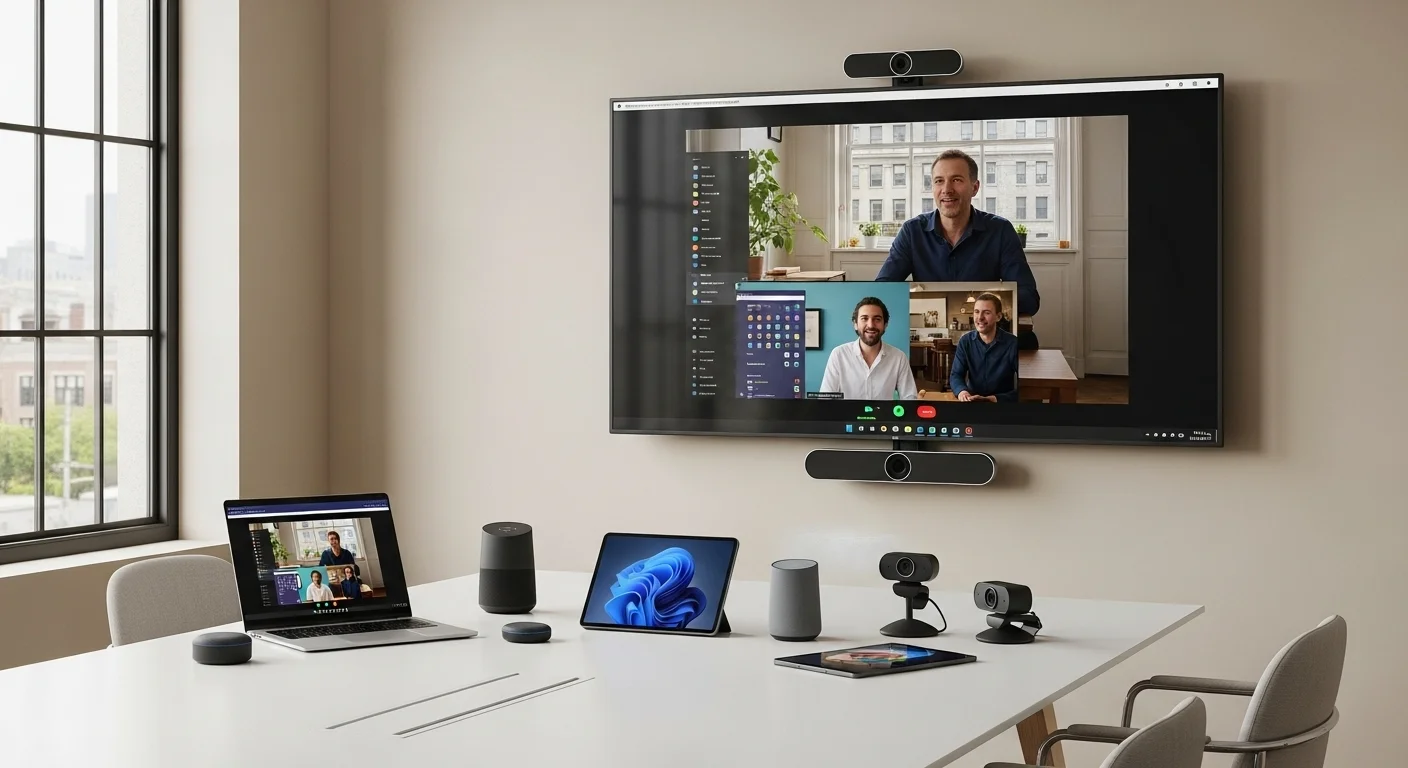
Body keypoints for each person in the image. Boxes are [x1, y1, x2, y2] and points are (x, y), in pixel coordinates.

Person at [875, 148, 1042, 327]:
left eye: (956, 180)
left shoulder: (1001, 230)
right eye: (939, 181)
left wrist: (980, 306)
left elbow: (1028, 297)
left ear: (974, 188)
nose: (947, 190)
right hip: (927, 335)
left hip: (986, 335)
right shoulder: (912, 231)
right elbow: (882, 290)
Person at [818, 297, 919, 400]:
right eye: (864, 318)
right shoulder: (839, 355)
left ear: (885, 325)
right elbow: (825, 399)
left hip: (884, 412)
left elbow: (909, 398)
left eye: (877, 319)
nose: (870, 325)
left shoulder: (899, 357)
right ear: (855, 324)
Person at [949, 293, 1019, 402]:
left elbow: (1026, 384)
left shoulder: (1013, 343)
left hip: (1001, 404)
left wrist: (996, 399)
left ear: (998, 317)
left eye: (986, 312)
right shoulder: (965, 342)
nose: (980, 317)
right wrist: (962, 392)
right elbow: (956, 375)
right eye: (977, 312)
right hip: (972, 402)